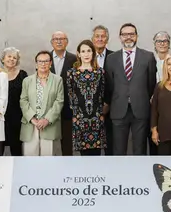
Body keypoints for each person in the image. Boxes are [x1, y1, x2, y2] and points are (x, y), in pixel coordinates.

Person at [104, 23, 157, 155]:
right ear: (120, 37)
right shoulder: (111, 59)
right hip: (118, 110)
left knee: (140, 149)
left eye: (131, 34)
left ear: (137, 36)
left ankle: (139, 175)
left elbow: (151, 84)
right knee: (118, 150)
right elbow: (109, 85)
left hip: (140, 109)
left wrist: (140, 96)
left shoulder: (148, 57)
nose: (128, 37)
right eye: (125, 34)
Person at [66, 40, 106, 156]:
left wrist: (100, 114)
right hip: (80, 118)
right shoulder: (72, 73)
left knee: (96, 154)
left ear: (93, 53)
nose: (86, 54)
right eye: (83, 51)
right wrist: (76, 116)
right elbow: (71, 96)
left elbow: (102, 95)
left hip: (96, 118)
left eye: (89, 51)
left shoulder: (100, 72)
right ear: (78, 54)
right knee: (83, 156)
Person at [20, 51, 64, 156]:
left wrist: (47, 119)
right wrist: (32, 119)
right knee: (30, 161)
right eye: (40, 61)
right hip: (31, 125)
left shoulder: (58, 80)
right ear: (36, 64)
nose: (43, 64)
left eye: (46, 61)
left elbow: (59, 101)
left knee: (49, 160)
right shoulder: (27, 80)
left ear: (50, 63)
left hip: (49, 125)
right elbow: (23, 100)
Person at [49, 31, 78, 156]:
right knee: (48, 143)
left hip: (68, 107)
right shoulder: (45, 58)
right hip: (48, 107)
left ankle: (68, 168)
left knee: (67, 142)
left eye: (62, 39)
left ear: (67, 41)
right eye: (56, 39)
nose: (59, 41)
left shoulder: (75, 59)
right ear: (52, 42)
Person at [91, 25, 114, 153]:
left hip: (110, 110)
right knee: (92, 150)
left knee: (110, 146)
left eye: (103, 36)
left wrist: (108, 103)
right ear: (92, 39)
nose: (100, 39)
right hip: (89, 111)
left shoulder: (115, 57)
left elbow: (117, 83)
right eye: (97, 36)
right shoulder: (85, 57)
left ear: (107, 39)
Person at [1, 47, 27, 156]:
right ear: (3, 59)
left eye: (14, 58)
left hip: (17, 118)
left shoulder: (22, 74)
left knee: (17, 150)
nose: (12, 59)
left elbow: (27, 96)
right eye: (9, 56)